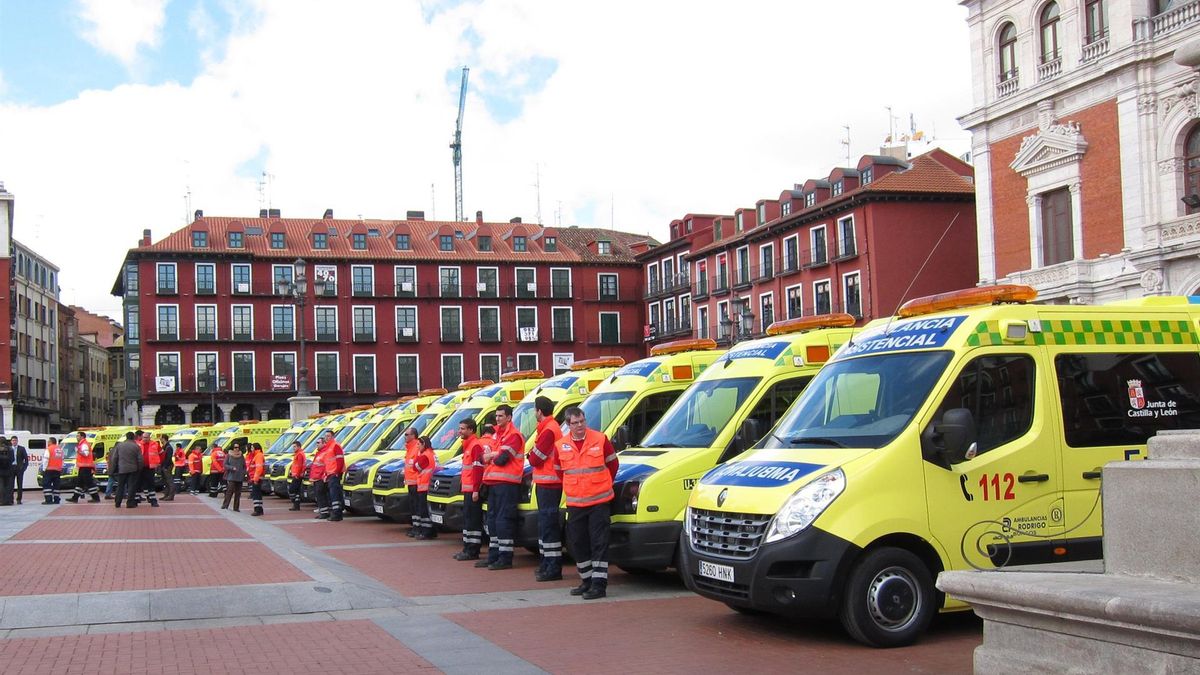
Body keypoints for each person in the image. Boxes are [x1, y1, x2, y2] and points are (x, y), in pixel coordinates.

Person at [559, 406, 619, 600]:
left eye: (582, 421)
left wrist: (603, 483)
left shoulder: (600, 439)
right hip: (576, 503)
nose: (580, 426)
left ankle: (599, 585)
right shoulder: (561, 445)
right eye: (575, 423)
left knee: (599, 543)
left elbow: (613, 464)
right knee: (578, 543)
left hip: (599, 501)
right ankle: (586, 580)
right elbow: (559, 470)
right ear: (568, 425)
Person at [475, 404, 525, 571]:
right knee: (493, 521)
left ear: (509, 417)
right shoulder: (497, 435)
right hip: (493, 483)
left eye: (501, 416)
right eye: (496, 416)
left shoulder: (514, 435)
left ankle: (505, 557)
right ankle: (493, 555)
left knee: (503, 521)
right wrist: (491, 455)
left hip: (507, 484)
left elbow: (502, 459)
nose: (497, 419)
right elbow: (482, 457)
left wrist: (491, 456)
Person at [527, 396, 565, 581]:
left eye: (535, 410)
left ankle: (552, 567)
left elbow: (535, 458)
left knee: (549, 526)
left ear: (539, 411)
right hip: (546, 484)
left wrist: (531, 454)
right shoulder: (548, 428)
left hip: (550, 485)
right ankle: (546, 564)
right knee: (545, 526)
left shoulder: (549, 430)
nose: (534, 413)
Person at [454, 419, 485, 560]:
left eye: (462, 428)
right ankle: (467, 548)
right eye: (460, 428)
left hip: (472, 491)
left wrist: (475, 490)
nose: (460, 431)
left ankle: (472, 550)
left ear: (471, 430)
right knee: (467, 520)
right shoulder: (469, 445)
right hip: (468, 490)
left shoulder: (475, 446)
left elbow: (478, 469)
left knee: (472, 521)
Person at [412, 435, 438, 539]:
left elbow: (415, 467)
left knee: (424, 511)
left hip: (424, 486)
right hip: (431, 485)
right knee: (428, 510)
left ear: (424, 444)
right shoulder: (432, 454)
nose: (417, 447)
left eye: (419, 444)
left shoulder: (424, 455)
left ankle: (426, 532)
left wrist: (417, 455)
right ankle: (432, 531)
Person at [111, 432, 144, 508]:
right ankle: (130, 503)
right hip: (133, 469)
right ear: (133, 437)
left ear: (126, 437)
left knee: (120, 486)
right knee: (131, 486)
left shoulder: (119, 445)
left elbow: (114, 458)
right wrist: (139, 468)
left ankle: (117, 502)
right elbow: (140, 459)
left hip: (122, 469)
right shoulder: (136, 446)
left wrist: (113, 468)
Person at [319, 430, 346, 522]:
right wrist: (326, 473)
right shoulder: (328, 447)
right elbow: (328, 462)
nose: (326, 438)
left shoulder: (335, 446)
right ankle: (336, 512)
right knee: (333, 494)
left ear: (333, 437)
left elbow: (340, 460)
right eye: (325, 436)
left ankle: (337, 514)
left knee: (335, 495)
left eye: (328, 436)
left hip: (334, 473)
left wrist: (337, 472)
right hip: (330, 474)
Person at [67, 431, 99, 503]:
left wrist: (78, 451)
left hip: (85, 467)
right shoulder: (82, 444)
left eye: (78, 436)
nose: (76, 437)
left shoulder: (84, 444)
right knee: (80, 483)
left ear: (82, 437)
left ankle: (96, 498)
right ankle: (75, 498)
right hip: (83, 467)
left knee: (89, 483)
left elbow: (86, 454)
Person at [401, 427, 421, 536]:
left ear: (413, 436)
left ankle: (418, 527)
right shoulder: (409, 448)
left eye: (407, 434)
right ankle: (415, 526)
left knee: (417, 506)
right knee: (413, 506)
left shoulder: (417, 447)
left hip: (416, 483)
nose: (405, 436)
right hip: (411, 483)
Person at [138, 432, 161, 507]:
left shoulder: (155, 444)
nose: (144, 439)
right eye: (143, 437)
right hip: (140, 467)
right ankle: (136, 499)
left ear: (149, 438)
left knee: (151, 483)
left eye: (146, 437)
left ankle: (153, 500)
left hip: (150, 467)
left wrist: (159, 463)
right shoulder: (138, 444)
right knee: (139, 483)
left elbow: (161, 454)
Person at [221, 444, 246, 511]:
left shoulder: (241, 455)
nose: (237, 449)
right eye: (235, 447)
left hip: (239, 476)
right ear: (233, 448)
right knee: (229, 491)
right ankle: (225, 505)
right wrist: (231, 468)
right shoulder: (229, 455)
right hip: (232, 476)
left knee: (238, 493)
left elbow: (244, 465)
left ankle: (236, 507)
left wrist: (243, 473)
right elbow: (225, 464)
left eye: (238, 447)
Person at [310, 438, 329, 520]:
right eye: (316, 442)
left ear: (324, 443)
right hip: (316, 478)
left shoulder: (325, 453)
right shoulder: (318, 453)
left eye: (318, 442)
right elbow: (314, 466)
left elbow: (326, 466)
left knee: (321, 495)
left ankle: (324, 513)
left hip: (321, 478)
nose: (317, 444)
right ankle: (322, 511)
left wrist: (324, 476)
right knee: (318, 496)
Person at [42, 437, 63, 505]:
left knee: (47, 484)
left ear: (51, 442)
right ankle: (56, 499)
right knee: (56, 485)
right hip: (57, 470)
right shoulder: (60, 449)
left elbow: (46, 460)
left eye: (48, 441)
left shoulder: (49, 449)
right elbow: (62, 459)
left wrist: (44, 469)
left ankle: (48, 499)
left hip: (49, 470)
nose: (48, 442)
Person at [247, 442, 266, 516]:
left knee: (256, 494)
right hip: (256, 477)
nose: (251, 449)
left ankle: (257, 510)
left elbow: (259, 468)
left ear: (255, 448)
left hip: (256, 478)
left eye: (252, 448)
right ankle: (259, 509)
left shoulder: (258, 456)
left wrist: (255, 479)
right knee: (257, 494)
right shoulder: (257, 455)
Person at [287, 441, 305, 511]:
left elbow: (300, 465)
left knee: (292, 489)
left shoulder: (299, 454)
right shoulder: (298, 454)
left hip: (298, 475)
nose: (293, 448)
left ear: (299, 447)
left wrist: (297, 474)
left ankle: (295, 503)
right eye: (293, 447)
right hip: (296, 474)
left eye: (294, 446)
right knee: (297, 491)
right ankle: (296, 505)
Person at [9, 436, 27, 504]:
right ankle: (11, 499)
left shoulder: (21, 448)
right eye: (13, 440)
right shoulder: (9, 448)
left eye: (15, 440)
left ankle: (19, 499)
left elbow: (26, 459)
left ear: (17, 441)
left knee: (19, 484)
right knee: (11, 485)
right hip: (11, 468)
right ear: (11, 441)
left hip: (19, 468)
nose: (14, 442)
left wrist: (24, 467)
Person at [158, 434, 175, 501]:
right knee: (165, 481)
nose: (160, 440)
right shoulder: (164, 447)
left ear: (164, 439)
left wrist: (165, 466)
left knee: (169, 481)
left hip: (167, 466)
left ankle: (171, 495)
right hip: (164, 465)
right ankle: (166, 494)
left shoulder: (168, 447)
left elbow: (168, 458)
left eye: (161, 438)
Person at [0, 437, 14, 506]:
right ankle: (9, 501)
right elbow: (13, 459)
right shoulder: (10, 449)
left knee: (1, 486)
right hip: (9, 470)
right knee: (9, 486)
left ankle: (2, 501)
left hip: (1, 470)